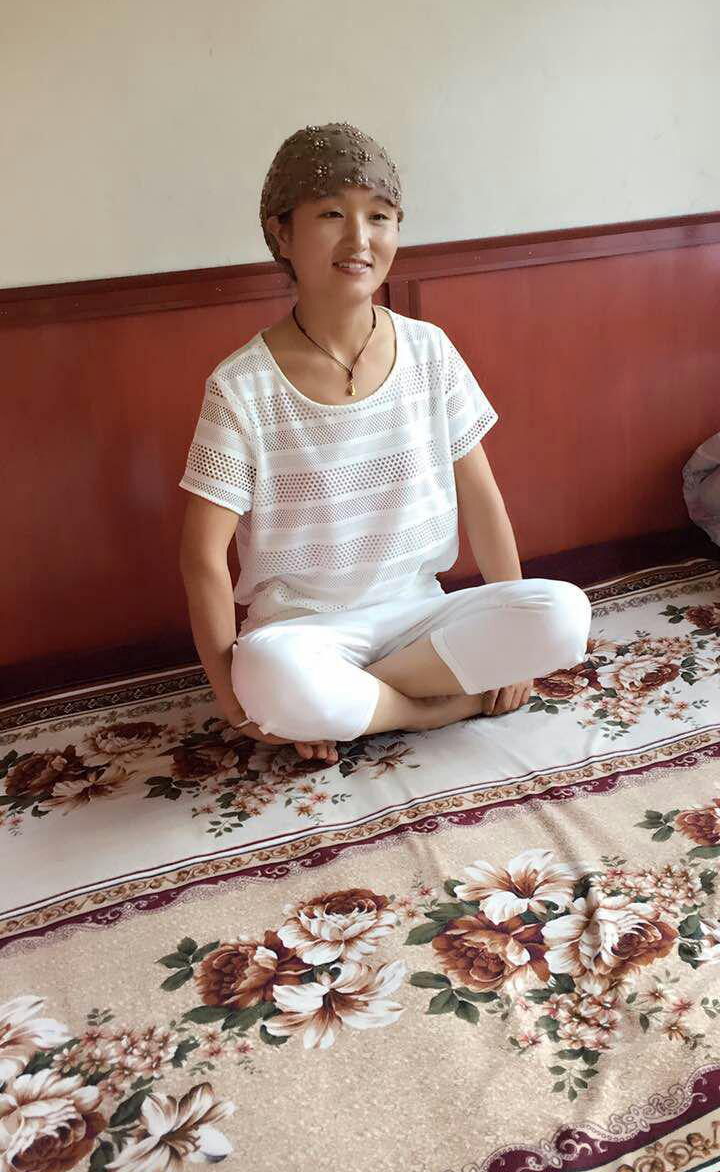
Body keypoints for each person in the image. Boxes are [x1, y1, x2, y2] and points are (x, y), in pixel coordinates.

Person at [178, 121, 592, 766]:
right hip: (302, 633)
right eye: (332, 214)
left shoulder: (430, 351)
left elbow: (482, 500)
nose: (359, 239)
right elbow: (201, 555)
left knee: (562, 613)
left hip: (419, 617)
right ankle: (438, 707)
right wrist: (233, 703)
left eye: (380, 216)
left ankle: (354, 705)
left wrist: (509, 612)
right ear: (282, 234)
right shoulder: (241, 387)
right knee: (270, 677)